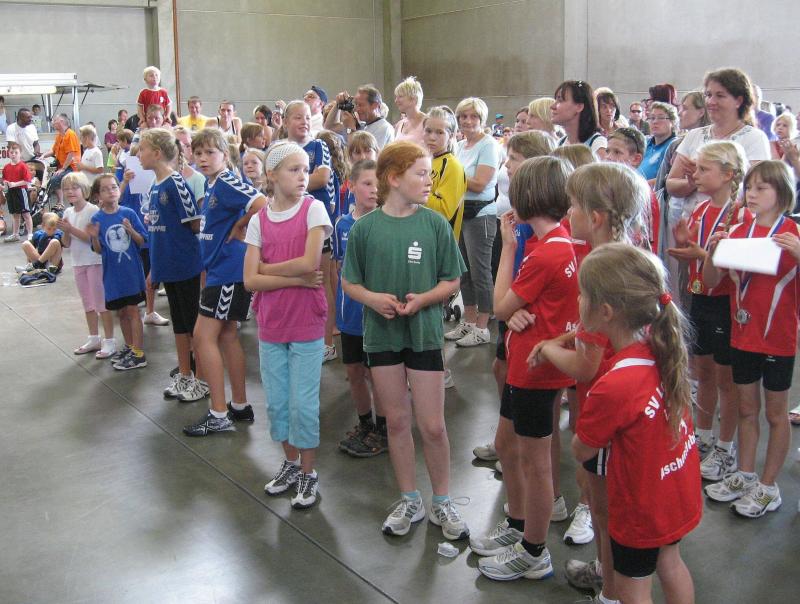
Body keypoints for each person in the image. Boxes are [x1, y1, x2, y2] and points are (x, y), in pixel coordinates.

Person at [530, 163, 649, 601]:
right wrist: (565, 338)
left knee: (604, 505)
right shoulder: (622, 257)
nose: (567, 213)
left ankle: (611, 589)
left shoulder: (601, 270)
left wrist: (547, 349)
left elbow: (584, 365)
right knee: (601, 501)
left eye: (574, 206)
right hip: (618, 400)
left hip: (608, 405)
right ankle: (605, 572)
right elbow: (592, 333)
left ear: (595, 217)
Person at [342, 140, 468, 539]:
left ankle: (442, 501)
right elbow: (349, 282)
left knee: (432, 426)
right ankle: (410, 499)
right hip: (382, 338)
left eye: (430, 173)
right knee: (396, 421)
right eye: (421, 173)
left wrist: (425, 300)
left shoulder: (434, 224)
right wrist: (373, 299)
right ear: (394, 178)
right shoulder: (365, 229)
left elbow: (452, 279)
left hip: (424, 335)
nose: (429, 181)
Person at [573, 244, 701, 604]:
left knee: (632, 587)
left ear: (605, 311)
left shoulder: (614, 383)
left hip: (639, 508)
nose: (578, 301)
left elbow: (582, 449)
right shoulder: (663, 349)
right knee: (671, 563)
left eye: (583, 295)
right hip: (675, 491)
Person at [473, 156, 576, 582]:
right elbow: (522, 305)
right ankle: (518, 524)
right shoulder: (554, 241)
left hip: (536, 370)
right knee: (509, 445)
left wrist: (509, 249)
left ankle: (534, 551)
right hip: (525, 364)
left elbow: (500, 306)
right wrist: (516, 308)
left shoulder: (546, 251)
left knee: (536, 464)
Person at [703, 160, 798, 517]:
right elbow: (711, 281)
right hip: (743, 334)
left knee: (775, 414)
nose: (752, 194)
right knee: (746, 409)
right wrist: (712, 251)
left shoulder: (792, 233)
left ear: (782, 193)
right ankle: (744, 475)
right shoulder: (739, 232)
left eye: (762, 188)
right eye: (750, 188)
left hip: (778, 339)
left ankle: (769, 487)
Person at [244, 141, 333, 510]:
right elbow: (250, 280)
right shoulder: (259, 220)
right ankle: (292, 464)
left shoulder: (314, 209)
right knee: (278, 404)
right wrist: (294, 279)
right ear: (272, 175)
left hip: (306, 322)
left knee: (303, 405)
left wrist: (267, 269)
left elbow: (310, 262)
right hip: (272, 324)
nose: (303, 176)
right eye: (294, 169)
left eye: (306, 169)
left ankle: (308, 473)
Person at [668, 141, 749, 481]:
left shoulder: (741, 214)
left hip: (725, 303)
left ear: (728, 174)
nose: (695, 175)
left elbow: (738, 264)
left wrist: (700, 254)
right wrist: (685, 244)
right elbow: (696, 253)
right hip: (699, 296)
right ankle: (702, 437)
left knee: (725, 379)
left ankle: (725, 447)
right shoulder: (701, 210)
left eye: (704, 169)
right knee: (702, 372)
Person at [182, 128, 267, 436]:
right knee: (227, 335)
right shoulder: (211, 183)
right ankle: (239, 405)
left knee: (202, 337)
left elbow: (262, 204)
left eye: (210, 152)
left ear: (225, 155)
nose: (203, 158)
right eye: (198, 153)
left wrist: (241, 225)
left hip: (229, 272)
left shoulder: (228, 181)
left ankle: (218, 413)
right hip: (220, 270)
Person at [138, 128, 205, 395]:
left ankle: (202, 379)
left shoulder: (175, 183)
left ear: (157, 153)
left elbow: (195, 223)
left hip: (185, 266)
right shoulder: (155, 185)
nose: (138, 154)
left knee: (193, 325)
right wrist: (156, 267)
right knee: (179, 325)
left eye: (143, 149)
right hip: (168, 268)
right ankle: (185, 374)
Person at [333, 159, 388, 457]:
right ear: (352, 186)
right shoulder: (342, 225)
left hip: (376, 316)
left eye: (378, 183)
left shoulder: (386, 222)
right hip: (350, 316)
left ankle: (383, 428)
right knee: (354, 371)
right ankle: (365, 423)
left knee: (376, 374)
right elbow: (337, 269)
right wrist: (335, 315)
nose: (374, 189)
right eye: (367, 183)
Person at [282, 101, 338, 362]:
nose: (304, 121)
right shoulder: (280, 150)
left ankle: (326, 342)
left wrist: (287, 183)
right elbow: (270, 181)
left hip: (316, 223)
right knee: (292, 279)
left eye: (307, 117)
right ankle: (296, 335)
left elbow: (321, 178)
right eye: (297, 117)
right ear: (285, 122)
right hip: (288, 223)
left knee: (321, 279)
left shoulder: (319, 146)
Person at [445, 97, 499, 348]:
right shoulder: (459, 145)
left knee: (480, 272)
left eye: (473, 116)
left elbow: (480, 183)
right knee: (464, 271)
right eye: (463, 116)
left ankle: (483, 326)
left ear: (482, 119)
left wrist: (453, 179)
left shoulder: (488, 145)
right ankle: (468, 320)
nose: (467, 121)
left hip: (480, 215)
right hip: (461, 213)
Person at [87, 175, 148, 370]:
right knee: (121, 313)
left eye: (114, 187)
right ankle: (130, 347)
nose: (111, 191)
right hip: (112, 275)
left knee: (133, 310)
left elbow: (142, 240)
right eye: (105, 189)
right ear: (98, 195)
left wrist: (130, 230)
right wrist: (94, 238)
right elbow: (98, 250)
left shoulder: (128, 213)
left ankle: (138, 353)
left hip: (131, 273)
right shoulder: (97, 219)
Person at [57, 172, 115, 359]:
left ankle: (109, 340)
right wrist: (66, 231)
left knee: (101, 303)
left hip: (94, 262)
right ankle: (94, 337)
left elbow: (91, 239)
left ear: (84, 190)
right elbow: (66, 243)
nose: (70, 192)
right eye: (66, 189)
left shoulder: (92, 211)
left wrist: (70, 229)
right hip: (78, 263)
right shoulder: (68, 212)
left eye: (74, 188)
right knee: (87, 303)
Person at [605, 127, 660, 251]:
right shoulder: (607, 187)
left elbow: (648, 241)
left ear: (635, 159)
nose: (608, 157)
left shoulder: (643, 194)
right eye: (607, 151)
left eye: (617, 152)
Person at [423, 106, 467, 240]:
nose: (432, 137)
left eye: (439, 132)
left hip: (441, 241)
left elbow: (444, 211)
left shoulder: (452, 166)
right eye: (428, 131)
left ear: (451, 136)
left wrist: (413, 190)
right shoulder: (425, 161)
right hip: (422, 235)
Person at [551, 81, 608, 157]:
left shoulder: (598, 145)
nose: (552, 106)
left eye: (560, 100)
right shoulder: (560, 143)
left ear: (579, 107)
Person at [40, 113, 82, 204]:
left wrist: (63, 169)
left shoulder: (70, 134)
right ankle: (59, 202)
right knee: (46, 174)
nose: (53, 123)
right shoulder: (59, 135)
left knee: (53, 180)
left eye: (55, 120)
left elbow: (71, 154)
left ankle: (43, 200)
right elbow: (53, 150)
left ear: (62, 121)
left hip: (71, 167)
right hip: (60, 165)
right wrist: (43, 156)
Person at [2, 142, 34, 242]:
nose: (14, 154)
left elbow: (27, 181)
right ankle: (15, 234)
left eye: (16, 152)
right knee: (15, 214)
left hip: (21, 191)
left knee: (26, 214)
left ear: (20, 153)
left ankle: (30, 234)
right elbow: (4, 180)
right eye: (11, 152)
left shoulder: (23, 166)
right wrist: (4, 185)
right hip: (11, 193)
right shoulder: (6, 167)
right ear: (8, 153)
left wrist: (15, 184)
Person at [640, 101, 678, 184]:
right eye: (652, 118)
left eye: (661, 118)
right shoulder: (645, 143)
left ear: (672, 122)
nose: (655, 122)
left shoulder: (674, 146)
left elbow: (670, 178)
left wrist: (639, 185)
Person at [393, 76, 426, 145]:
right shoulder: (399, 125)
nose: (396, 100)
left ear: (413, 98)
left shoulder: (427, 122)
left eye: (400, 96)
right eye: (396, 97)